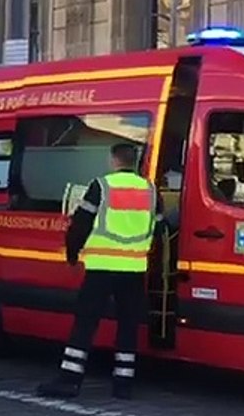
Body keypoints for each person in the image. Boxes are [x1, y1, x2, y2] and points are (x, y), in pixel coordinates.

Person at [38, 143, 163, 400]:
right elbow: (160, 231)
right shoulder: (151, 191)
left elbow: (80, 224)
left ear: (113, 160)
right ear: (135, 161)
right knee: (128, 326)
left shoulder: (101, 186)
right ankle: (123, 384)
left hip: (100, 269)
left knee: (85, 323)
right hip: (134, 269)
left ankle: (70, 380)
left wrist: (72, 254)